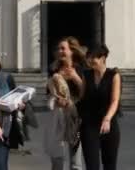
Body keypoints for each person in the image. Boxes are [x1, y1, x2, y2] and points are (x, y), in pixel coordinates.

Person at [79, 44, 121, 170]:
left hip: (109, 125)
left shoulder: (113, 75)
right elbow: (81, 97)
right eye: (88, 57)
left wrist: (107, 119)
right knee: (92, 165)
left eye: (93, 58)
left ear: (103, 58)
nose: (90, 61)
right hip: (89, 124)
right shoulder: (86, 75)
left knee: (109, 164)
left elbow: (115, 101)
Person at [48, 37, 85, 170]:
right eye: (59, 49)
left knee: (75, 156)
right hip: (58, 116)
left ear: (72, 51)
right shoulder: (54, 69)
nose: (60, 51)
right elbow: (49, 94)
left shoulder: (80, 69)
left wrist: (75, 77)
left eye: (63, 48)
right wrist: (56, 99)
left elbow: (85, 93)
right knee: (57, 156)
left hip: (75, 117)